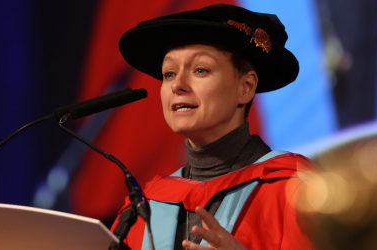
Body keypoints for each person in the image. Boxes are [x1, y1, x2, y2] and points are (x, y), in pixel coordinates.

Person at [111, 4, 318, 250]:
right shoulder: (141, 210)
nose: (178, 85)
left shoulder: (297, 189)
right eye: (168, 73)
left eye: (200, 70)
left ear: (246, 87)